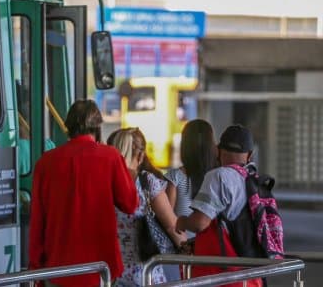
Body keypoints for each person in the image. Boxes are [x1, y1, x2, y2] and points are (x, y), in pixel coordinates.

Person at [29, 99, 139, 287]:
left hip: (56, 269)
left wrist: (35, 267)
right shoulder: (111, 157)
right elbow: (130, 204)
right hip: (100, 269)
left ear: (68, 128)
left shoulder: (45, 163)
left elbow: (38, 221)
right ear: (97, 128)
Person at [175, 124, 263, 287]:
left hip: (224, 277)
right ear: (250, 154)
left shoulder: (219, 176)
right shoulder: (254, 180)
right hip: (251, 275)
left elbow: (200, 223)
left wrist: (182, 222)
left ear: (218, 150)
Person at [109, 127, 186, 286]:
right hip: (145, 273)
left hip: (112, 275)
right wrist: (189, 249)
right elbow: (172, 226)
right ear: (141, 156)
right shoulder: (147, 182)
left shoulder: (104, 182)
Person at [165, 119, 218, 240]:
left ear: (185, 146)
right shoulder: (219, 177)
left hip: (183, 251)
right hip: (214, 253)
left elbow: (168, 221)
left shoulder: (175, 177)